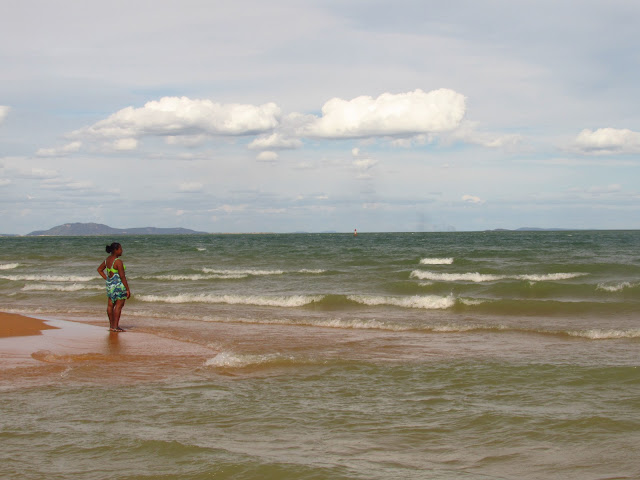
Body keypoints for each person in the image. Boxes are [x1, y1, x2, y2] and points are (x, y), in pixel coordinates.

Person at [97, 242, 131, 332]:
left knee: (110, 305)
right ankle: (116, 326)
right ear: (115, 250)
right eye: (120, 249)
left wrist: (107, 279)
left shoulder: (107, 260)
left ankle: (112, 326)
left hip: (110, 285)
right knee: (119, 306)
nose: (122, 251)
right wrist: (127, 289)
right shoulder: (118, 262)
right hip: (119, 286)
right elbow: (122, 277)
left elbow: (99, 270)